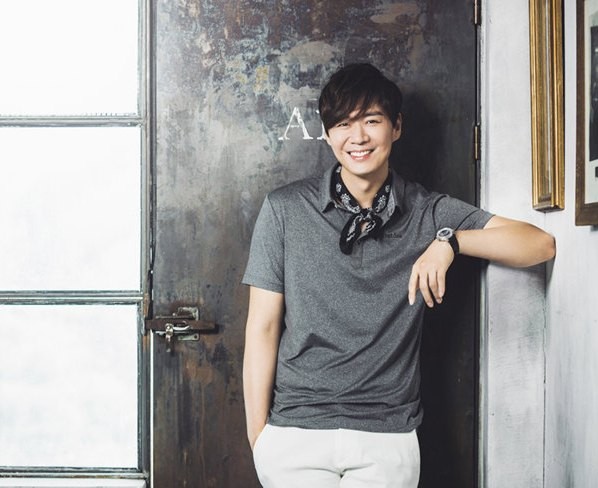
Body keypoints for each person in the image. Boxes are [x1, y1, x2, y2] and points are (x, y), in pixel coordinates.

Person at [242, 63, 555, 488]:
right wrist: (259, 437)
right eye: (344, 124)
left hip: (387, 438)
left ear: (396, 127)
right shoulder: (285, 209)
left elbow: (539, 245)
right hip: (295, 433)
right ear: (328, 134)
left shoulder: (427, 211)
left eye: (372, 121)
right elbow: (262, 327)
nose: (358, 137)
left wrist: (451, 243)